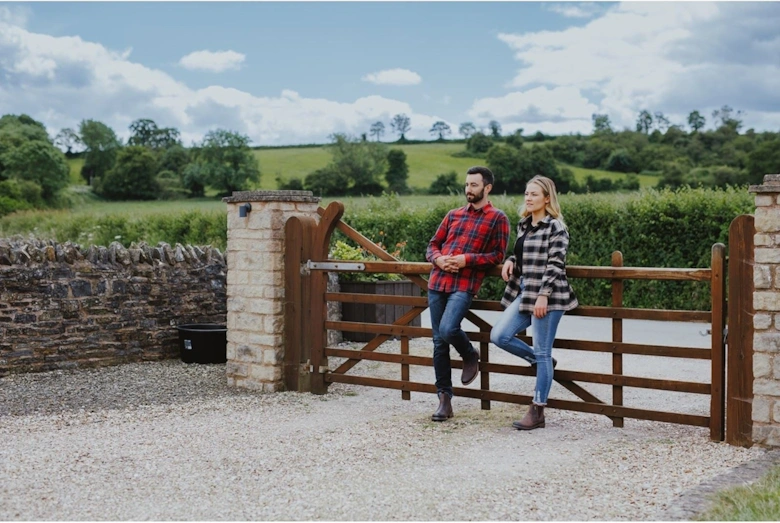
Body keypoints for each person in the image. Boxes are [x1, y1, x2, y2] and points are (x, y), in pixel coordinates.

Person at [490, 175, 578, 430]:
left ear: (547, 199)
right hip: (526, 292)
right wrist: (510, 260)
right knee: (499, 335)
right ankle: (542, 364)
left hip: (549, 297)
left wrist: (543, 295)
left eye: (534, 194)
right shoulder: (524, 225)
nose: (528, 198)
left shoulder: (556, 227)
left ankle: (538, 410)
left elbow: (555, 264)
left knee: (542, 350)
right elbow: (523, 255)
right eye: (526, 194)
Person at [426, 166, 509, 422]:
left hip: (464, 283)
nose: (468, 190)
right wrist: (439, 260)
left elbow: (497, 255)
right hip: (437, 281)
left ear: (487, 188)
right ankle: (444, 399)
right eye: (466, 185)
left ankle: (469, 353)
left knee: (448, 330)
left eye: (474, 185)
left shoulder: (498, 218)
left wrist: (466, 260)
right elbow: (432, 245)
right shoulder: (453, 215)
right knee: (439, 343)